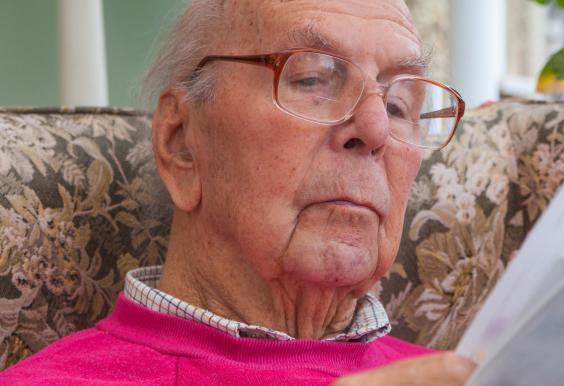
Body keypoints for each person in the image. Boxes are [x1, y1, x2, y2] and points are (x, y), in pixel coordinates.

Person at [1, 0, 474, 384]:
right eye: (311, 79)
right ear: (181, 143)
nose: (374, 129)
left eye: (397, 105)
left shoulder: (469, 373)